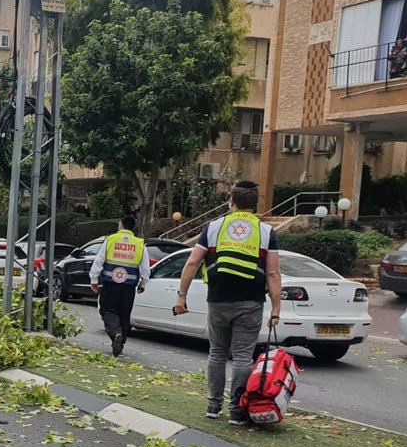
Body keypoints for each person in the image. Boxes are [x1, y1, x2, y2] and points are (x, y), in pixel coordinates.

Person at [172, 182, 282, 425]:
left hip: (219, 300)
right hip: (250, 302)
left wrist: (182, 295)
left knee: (217, 353)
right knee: (243, 356)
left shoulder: (214, 227)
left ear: (231, 200)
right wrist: (276, 308)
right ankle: (236, 410)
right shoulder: (265, 232)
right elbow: (273, 273)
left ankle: (213, 406)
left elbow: (192, 263)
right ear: (255, 204)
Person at [89, 215, 150, 357]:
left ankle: (115, 334)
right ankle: (120, 343)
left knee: (107, 309)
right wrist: (143, 283)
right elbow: (145, 268)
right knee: (124, 313)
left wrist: (94, 279)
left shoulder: (111, 239)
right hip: (129, 286)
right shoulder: (140, 244)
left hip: (110, 283)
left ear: (121, 225)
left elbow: (99, 260)